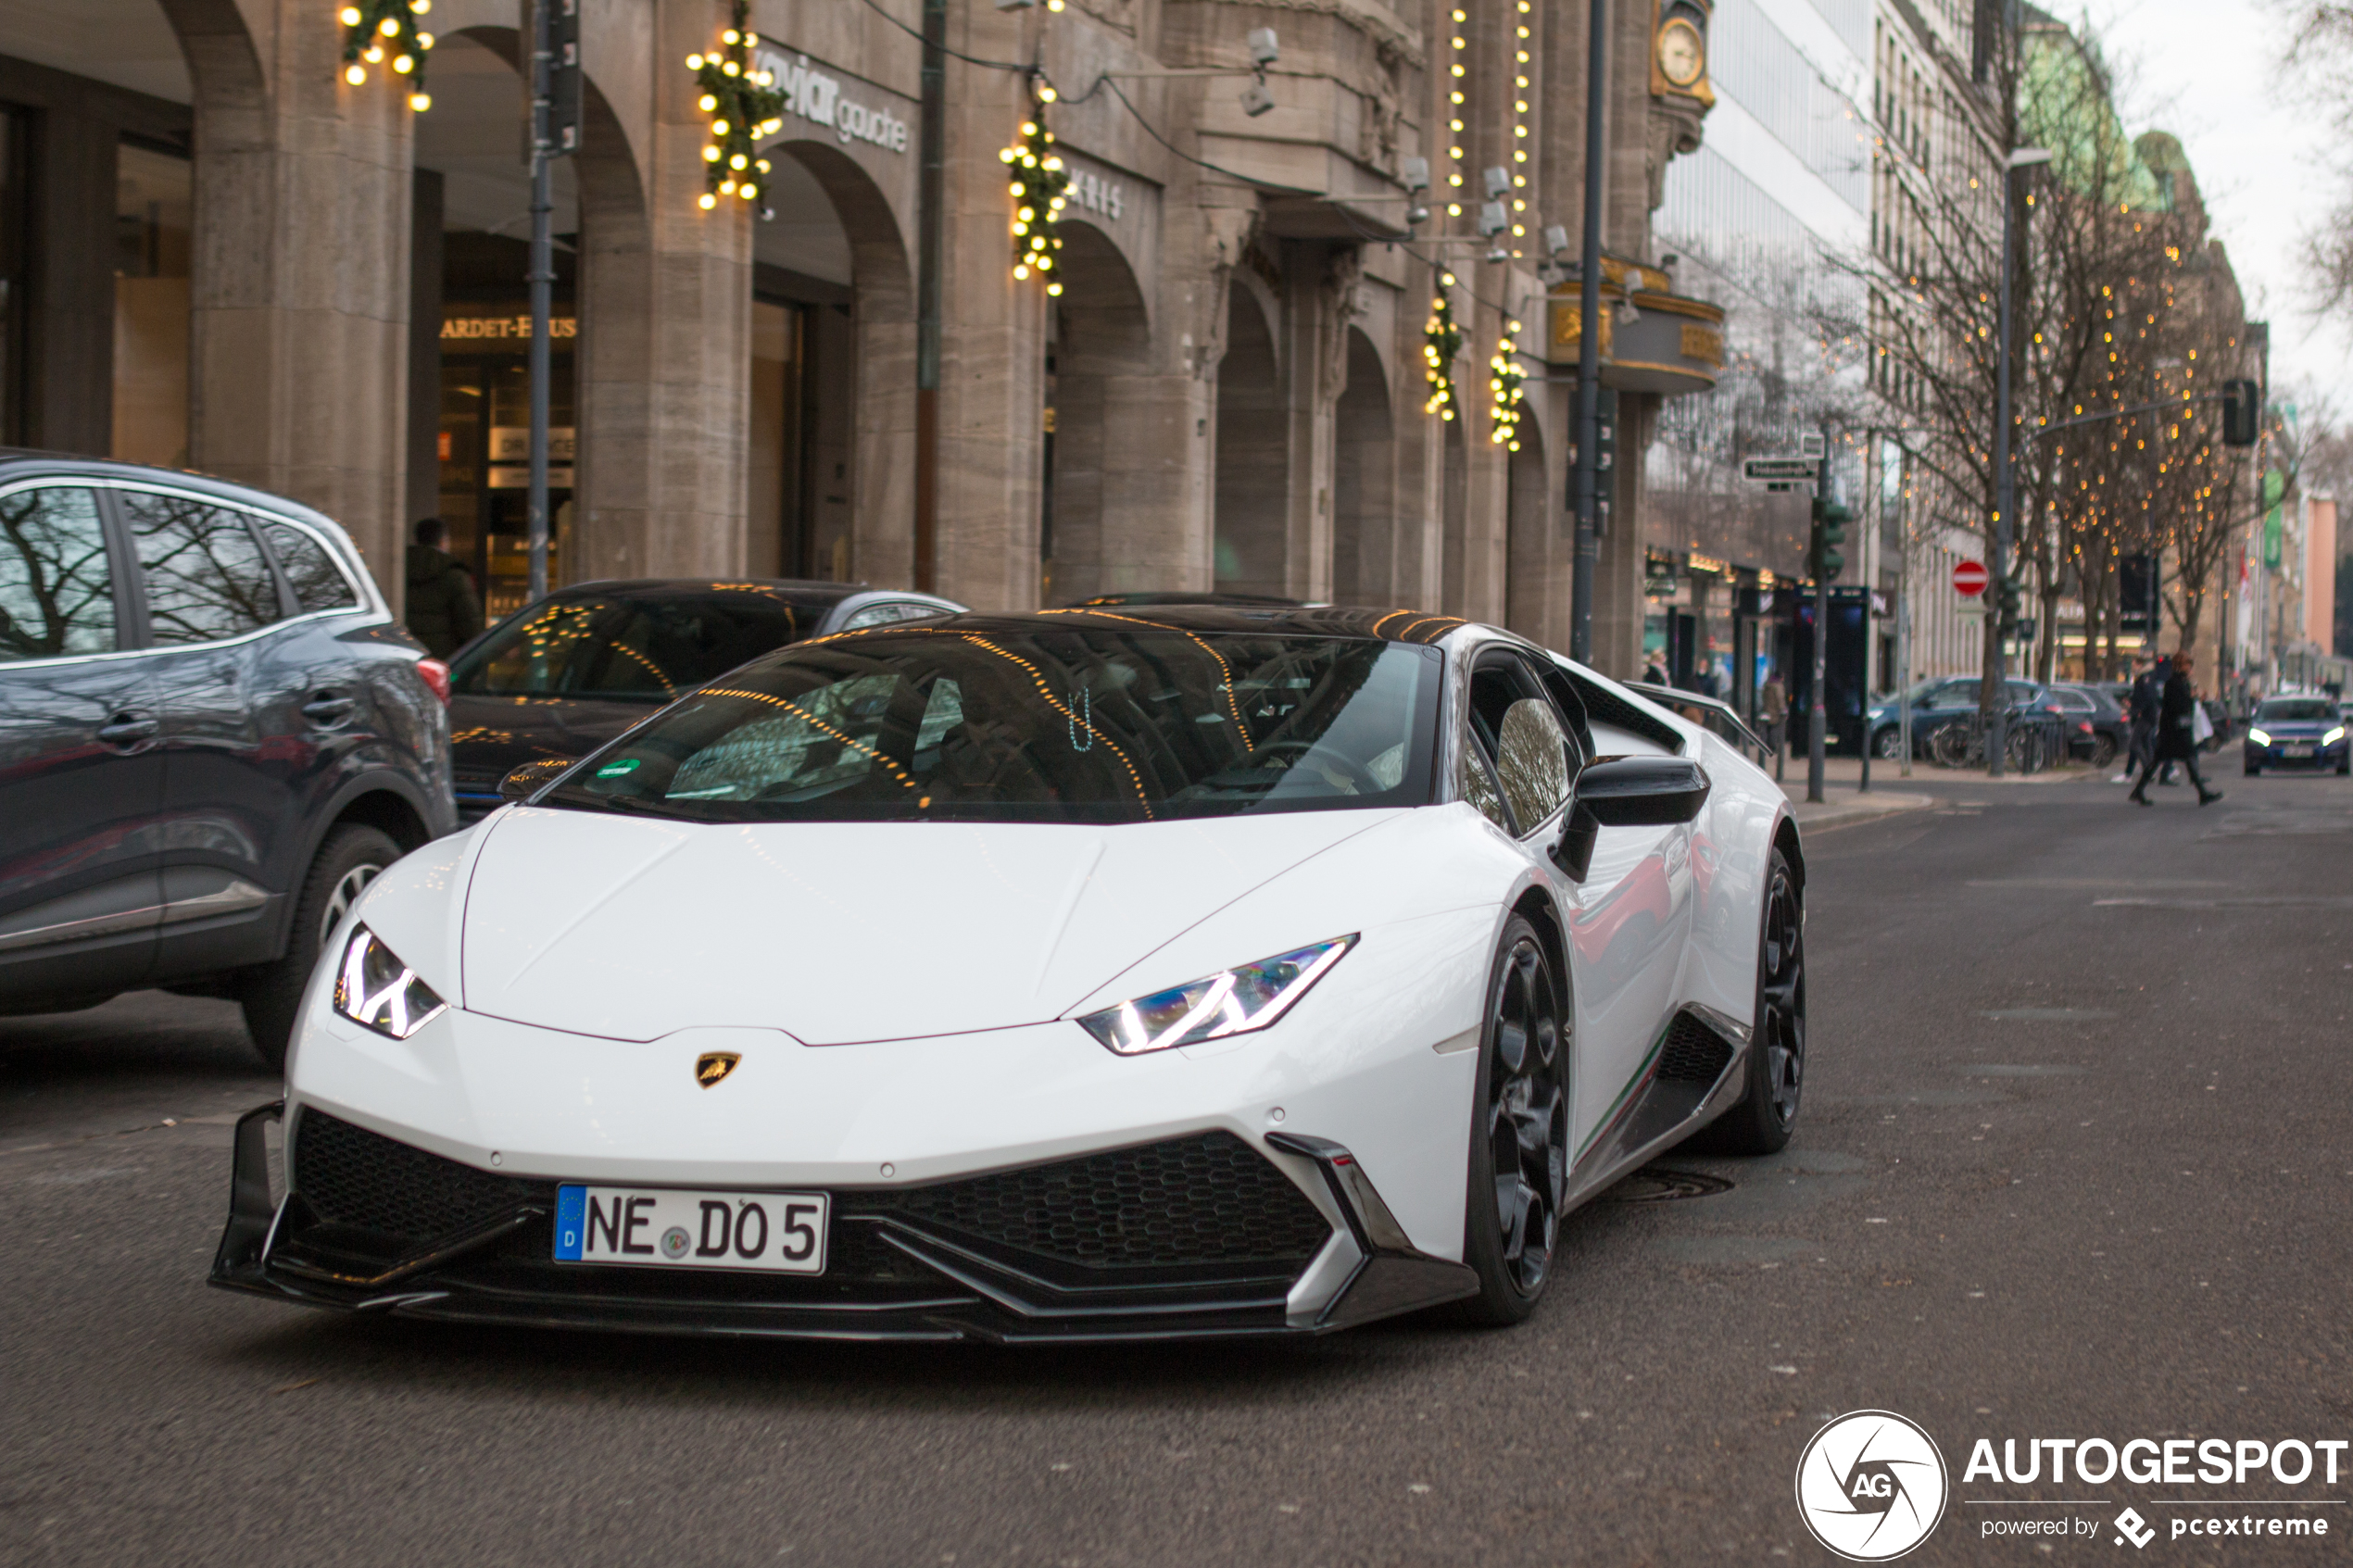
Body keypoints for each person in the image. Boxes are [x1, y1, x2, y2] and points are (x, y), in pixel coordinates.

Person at [2128, 650, 2221, 807]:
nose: (2190, 670)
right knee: (2186, 758)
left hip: (2176, 730)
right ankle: (2202, 793)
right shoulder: (2173, 684)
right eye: (2188, 666)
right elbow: (2177, 706)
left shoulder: (2182, 683)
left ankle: (2138, 790)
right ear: (2180, 666)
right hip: (2173, 731)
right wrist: (2192, 698)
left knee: (2164, 760)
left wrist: (2193, 698)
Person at [404, 517, 483, 659]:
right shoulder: (455, 575)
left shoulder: (399, 570)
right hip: (443, 661)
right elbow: (471, 626)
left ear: (417, 540)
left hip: (408, 657)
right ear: (443, 541)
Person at [1759, 671, 1789, 781]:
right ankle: (1772, 746)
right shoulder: (1778, 686)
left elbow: (1763, 697)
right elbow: (1780, 699)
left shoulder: (1767, 685)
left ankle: (1766, 746)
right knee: (1775, 729)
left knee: (1768, 729)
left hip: (1767, 710)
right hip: (1775, 712)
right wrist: (1783, 710)